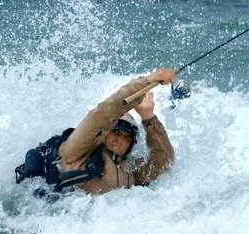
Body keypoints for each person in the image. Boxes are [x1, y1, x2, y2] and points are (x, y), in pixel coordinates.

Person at [16, 68, 176, 195]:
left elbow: (163, 162)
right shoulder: (76, 151)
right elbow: (102, 114)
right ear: (105, 133)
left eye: (127, 137)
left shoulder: (130, 171)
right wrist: (147, 81)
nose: (120, 139)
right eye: (116, 132)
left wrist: (148, 117)